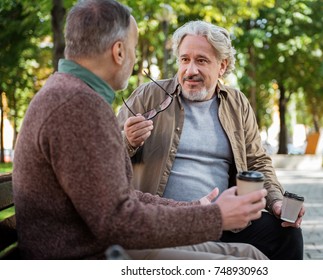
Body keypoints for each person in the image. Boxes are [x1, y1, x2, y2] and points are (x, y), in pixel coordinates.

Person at [12, 0, 269, 260]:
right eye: (134, 48)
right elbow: (120, 222)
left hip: (99, 245)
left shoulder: (72, 95)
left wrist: (194, 207)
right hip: (88, 258)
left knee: (251, 254)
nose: (135, 58)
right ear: (119, 52)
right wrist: (215, 216)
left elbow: (118, 199)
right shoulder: (77, 107)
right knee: (251, 264)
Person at [117, 20, 306, 260]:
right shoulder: (149, 96)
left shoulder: (237, 103)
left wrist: (277, 203)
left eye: (202, 61)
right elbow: (104, 157)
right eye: (184, 60)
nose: (190, 70)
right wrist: (128, 141)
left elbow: (257, 162)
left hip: (225, 221)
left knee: (285, 235)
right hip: (167, 220)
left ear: (222, 66)